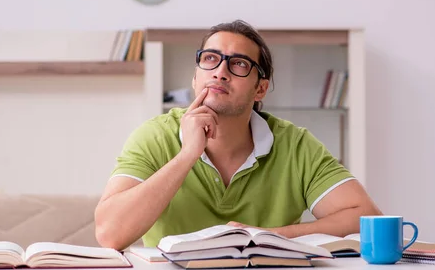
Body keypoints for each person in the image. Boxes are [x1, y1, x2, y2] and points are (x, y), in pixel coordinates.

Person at [95, 20, 382, 250]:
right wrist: (186, 156)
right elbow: (110, 234)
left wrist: (269, 237)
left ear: (260, 89)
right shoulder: (154, 137)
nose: (220, 72)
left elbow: (366, 220)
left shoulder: (295, 145)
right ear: (196, 78)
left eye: (240, 64)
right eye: (210, 59)